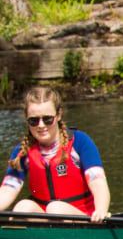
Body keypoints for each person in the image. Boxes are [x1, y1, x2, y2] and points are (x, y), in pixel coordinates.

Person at [1, 86, 111, 223]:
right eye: (33, 121)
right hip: (46, 218)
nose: (41, 125)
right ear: (27, 120)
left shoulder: (80, 142)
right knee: (22, 207)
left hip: (84, 218)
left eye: (47, 119)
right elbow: (8, 189)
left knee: (56, 209)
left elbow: (97, 181)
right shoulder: (22, 151)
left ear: (58, 115)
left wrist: (101, 210)